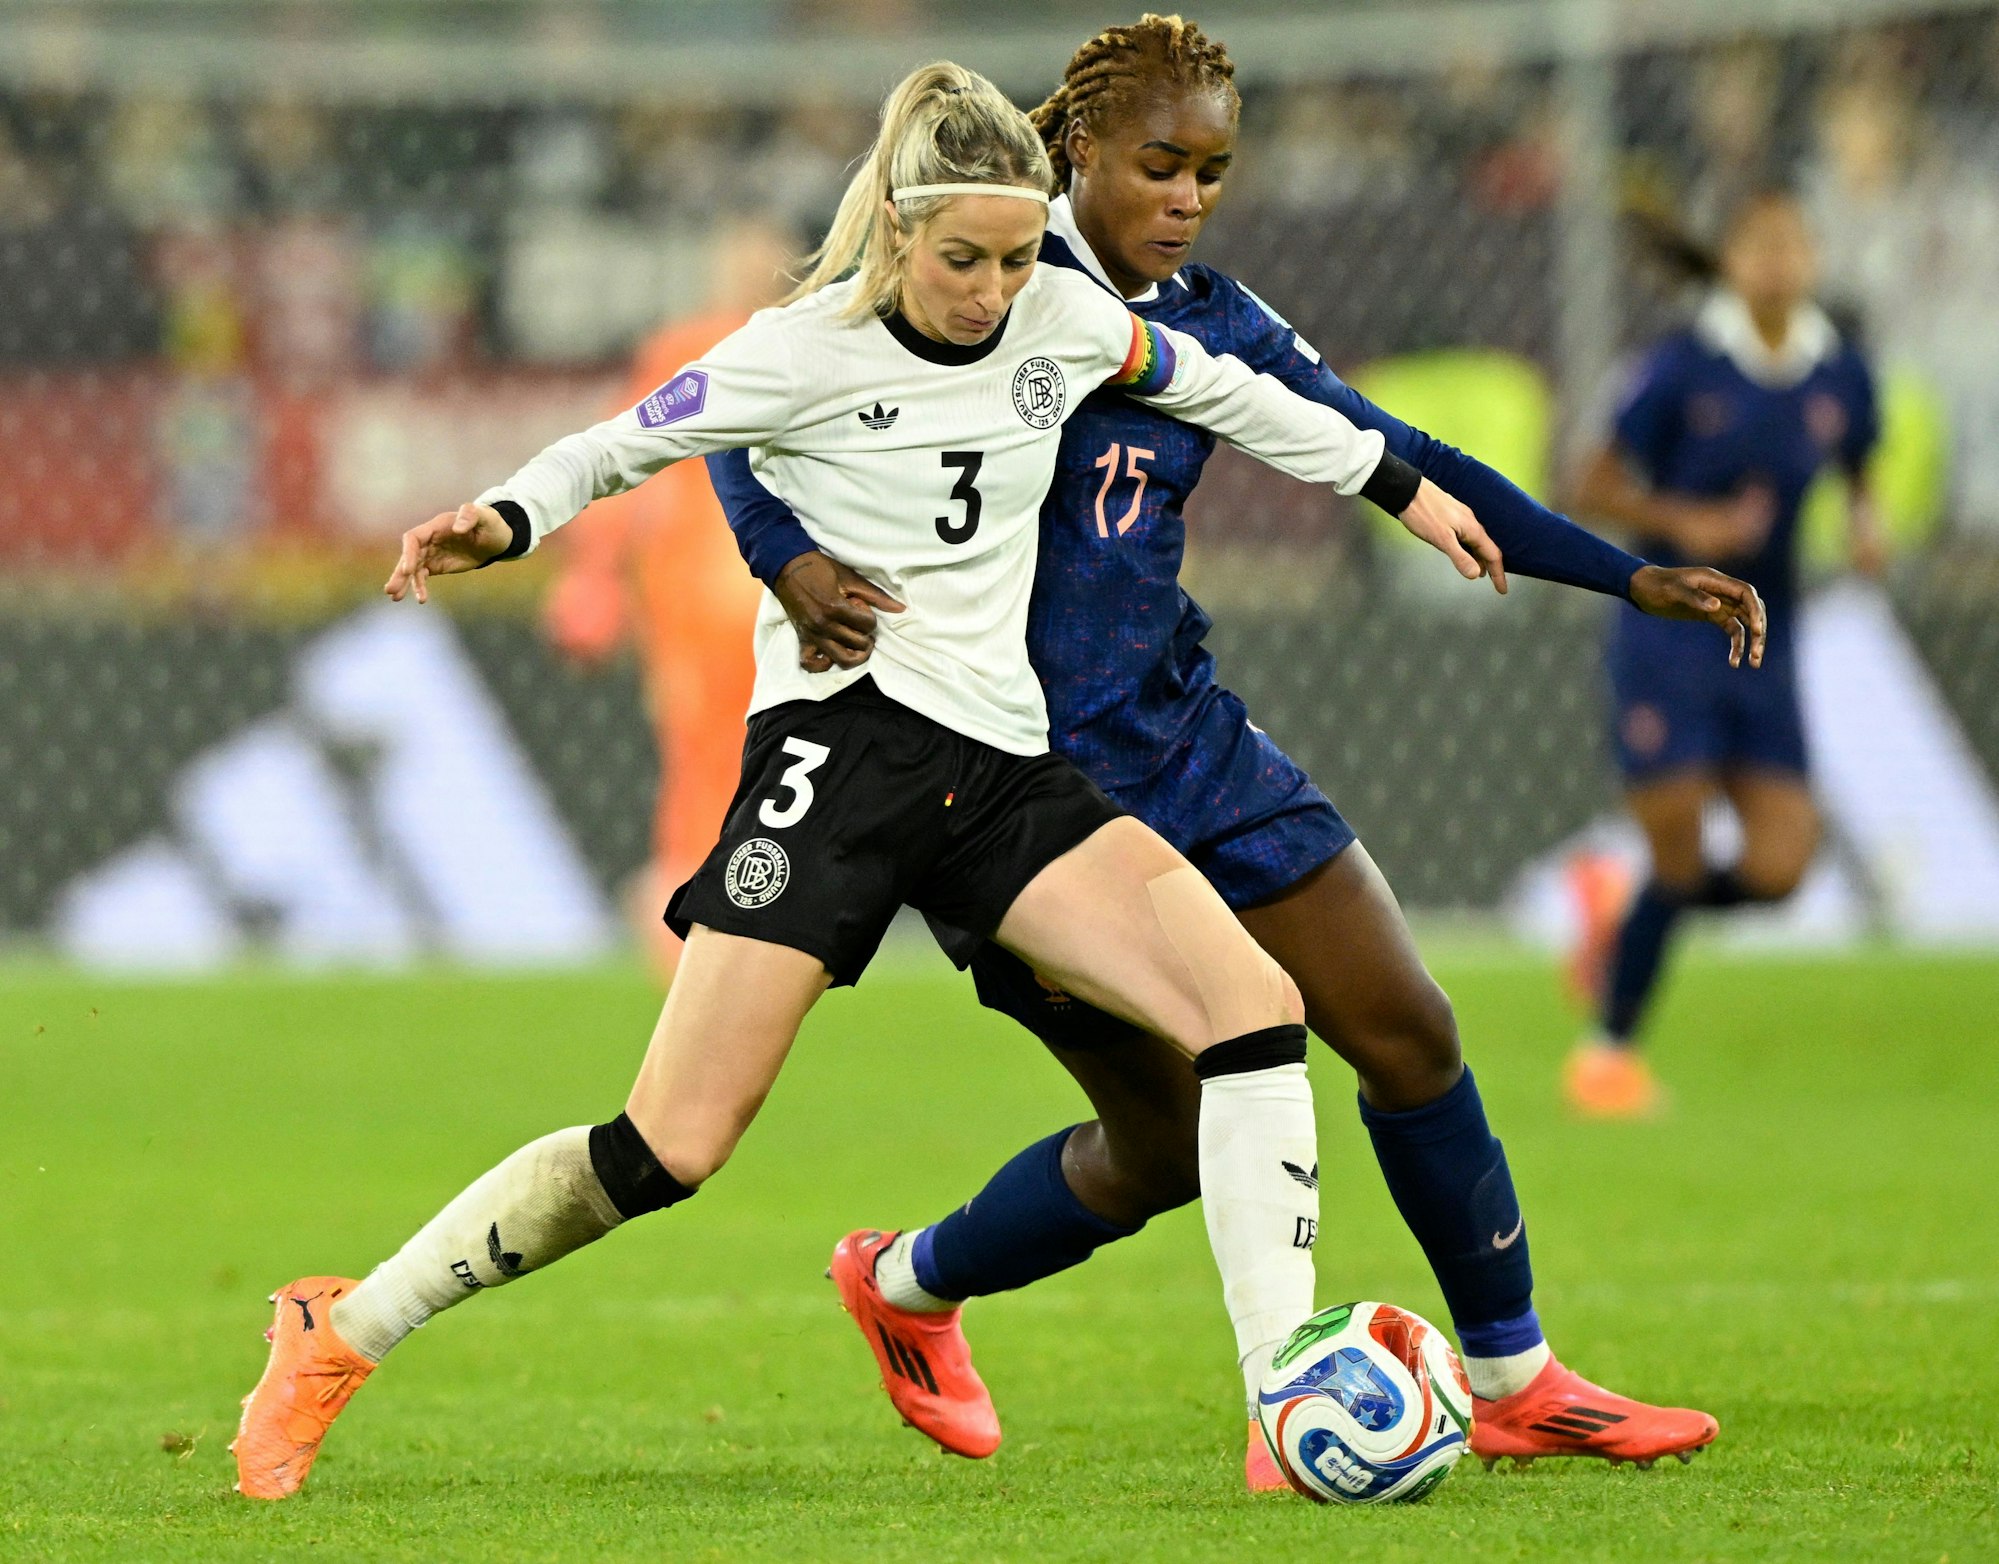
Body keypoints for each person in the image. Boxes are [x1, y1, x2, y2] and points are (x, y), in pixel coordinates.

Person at [231, 60, 1492, 1501]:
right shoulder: (796, 351)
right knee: (667, 1147)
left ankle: (1279, 1397)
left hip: (1005, 776)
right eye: (962, 259)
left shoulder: (1063, 319)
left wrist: (1402, 488)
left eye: (1017, 258)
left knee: (1250, 1008)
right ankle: (344, 1323)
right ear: (896, 234)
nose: (991, 289)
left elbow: (1231, 392)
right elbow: (625, 442)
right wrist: (502, 522)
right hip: (837, 770)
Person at [711, 14, 1760, 1488]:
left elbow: (1395, 450)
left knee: (1404, 1025)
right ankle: (902, 1286)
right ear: (1074, 150)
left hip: (1183, 733)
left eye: (1212, 168)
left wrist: (1625, 570)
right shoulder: (979, 275)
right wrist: (783, 558)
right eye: (1160, 164)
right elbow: (734, 411)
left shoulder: (1216, 315)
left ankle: (1513, 1380)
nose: (1191, 195)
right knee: (1159, 1144)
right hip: (1020, 789)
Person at [1563, 189, 1880, 1119]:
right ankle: (1606, 1055)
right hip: (1672, 632)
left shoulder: (1838, 368)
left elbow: (1858, 453)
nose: (1778, 262)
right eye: (1760, 245)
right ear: (1732, 260)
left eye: (1793, 244)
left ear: (1812, 258)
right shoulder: (1680, 366)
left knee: (1783, 865)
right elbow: (1590, 482)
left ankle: (1612, 931)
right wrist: (1687, 521)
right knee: (1678, 846)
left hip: (1765, 638)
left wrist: (1865, 518)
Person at [541, 214, 797, 974]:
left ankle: (712, 900)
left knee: (724, 756)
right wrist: (594, 579)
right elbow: (629, 470)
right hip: (717, 599)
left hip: (752, 596)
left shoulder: (739, 349)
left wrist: (592, 579)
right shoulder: (697, 350)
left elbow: (622, 469)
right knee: (719, 756)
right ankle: (703, 900)